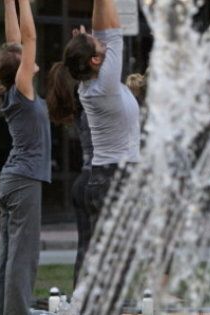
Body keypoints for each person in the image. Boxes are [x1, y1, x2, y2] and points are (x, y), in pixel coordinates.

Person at [47, 0, 140, 263]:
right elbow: (112, 31)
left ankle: (85, 304)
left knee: (97, 259)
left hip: (104, 177)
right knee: (116, 262)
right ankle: (99, 305)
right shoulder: (104, 86)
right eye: (99, 47)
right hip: (116, 178)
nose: (103, 43)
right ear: (96, 59)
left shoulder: (94, 83)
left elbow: (104, 33)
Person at [0, 0, 52, 313]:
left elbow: (16, 40)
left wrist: (8, 3)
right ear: (20, 66)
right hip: (24, 181)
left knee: (9, 253)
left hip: (12, 179)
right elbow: (28, 39)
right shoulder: (22, 88)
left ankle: (1, 310)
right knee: (22, 255)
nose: (29, 55)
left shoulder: (16, 89)